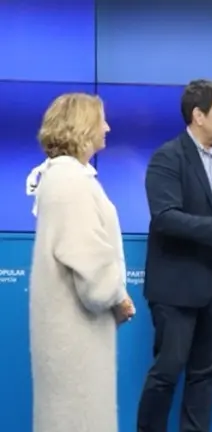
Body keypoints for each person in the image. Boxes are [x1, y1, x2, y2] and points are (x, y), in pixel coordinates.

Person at [136, 79, 212, 432]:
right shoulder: (167, 157)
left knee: (206, 375)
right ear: (198, 115)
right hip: (177, 286)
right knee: (167, 371)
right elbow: (165, 218)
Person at [28, 93, 136, 432]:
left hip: (70, 331)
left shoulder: (64, 179)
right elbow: (87, 259)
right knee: (78, 418)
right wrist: (117, 296)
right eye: (101, 120)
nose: (107, 127)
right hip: (75, 334)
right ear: (83, 126)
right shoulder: (70, 182)